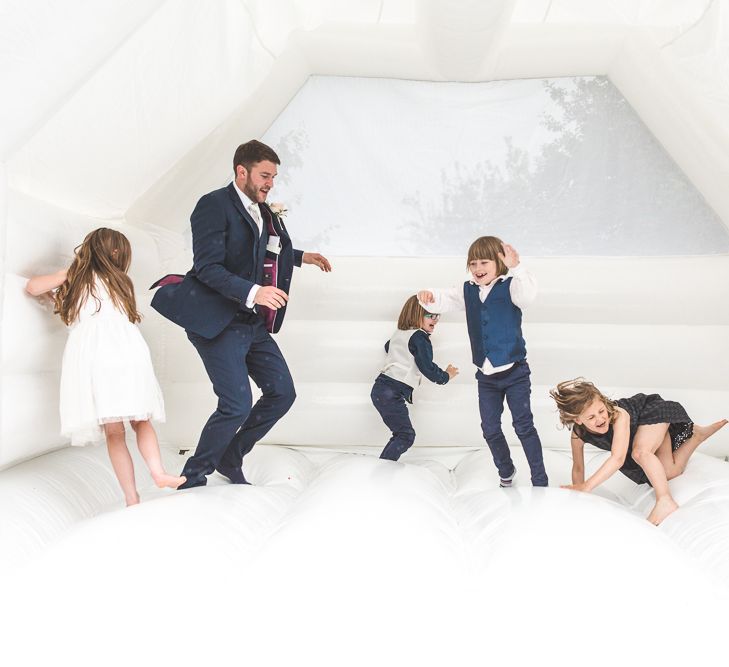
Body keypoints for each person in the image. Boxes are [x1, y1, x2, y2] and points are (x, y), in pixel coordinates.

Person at [150, 139, 331, 488]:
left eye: (274, 177)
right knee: (235, 404)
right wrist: (255, 292)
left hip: (251, 321)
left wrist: (302, 256)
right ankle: (193, 475)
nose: (270, 183)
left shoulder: (262, 210)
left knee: (283, 392)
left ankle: (231, 456)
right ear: (241, 171)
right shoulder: (213, 205)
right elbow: (207, 268)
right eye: (265, 175)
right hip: (218, 321)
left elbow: (261, 248)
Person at [25, 228, 185, 506]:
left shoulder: (77, 277)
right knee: (141, 419)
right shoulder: (121, 282)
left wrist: (68, 277)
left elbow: (32, 287)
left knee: (114, 432)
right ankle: (158, 472)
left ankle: (131, 496)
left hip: (97, 358)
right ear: (114, 254)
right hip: (130, 354)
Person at [418, 236, 548, 487]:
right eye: (473, 263)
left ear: (499, 262)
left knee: (523, 426)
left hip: (514, 372)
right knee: (489, 428)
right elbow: (445, 298)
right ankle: (506, 470)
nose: (478, 269)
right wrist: (428, 295)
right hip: (486, 375)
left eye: (484, 263)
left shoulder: (511, 285)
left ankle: (540, 479)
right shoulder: (467, 289)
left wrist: (517, 267)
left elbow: (528, 297)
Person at [550, 377, 727, 524]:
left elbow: (618, 458)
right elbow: (578, 468)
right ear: (578, 421)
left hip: (652, 413)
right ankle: (697, 436)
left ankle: (665, 500)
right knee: (669, 472)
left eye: (601, 411)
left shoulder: (619, 415)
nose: (600, 418)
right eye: (591, 417)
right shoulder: (578, 435)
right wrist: (579, 494)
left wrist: (588, 486)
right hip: (643, 434)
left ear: (604, 404)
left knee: (640, 453)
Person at [371, 295, 458, 461]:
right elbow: (428, 368)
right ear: (416, 315)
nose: (436, 320)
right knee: (405, 436)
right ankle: (383, 468)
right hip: (391, 392)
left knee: (402, 434)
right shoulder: (420, 338)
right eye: (431, 316)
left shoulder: (400, 333)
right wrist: (446, 375)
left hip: (380, 388)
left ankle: (384, 464)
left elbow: (388, 346)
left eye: (437, 316)